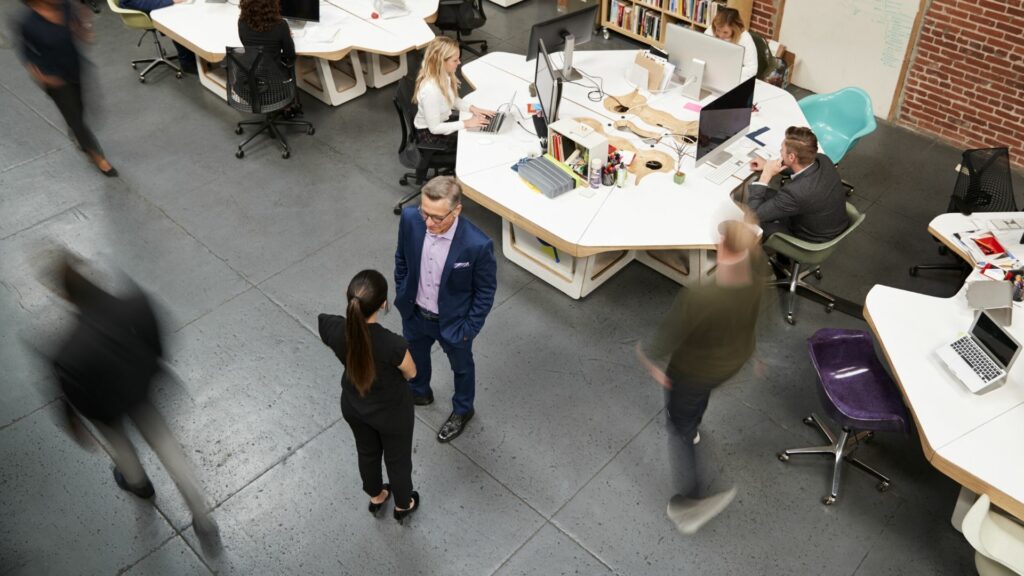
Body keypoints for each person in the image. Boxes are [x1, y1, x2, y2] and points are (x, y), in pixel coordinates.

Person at [40, 249, 220, 554]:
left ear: (65, 295)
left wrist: (84, 424)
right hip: (143, 394)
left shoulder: (65, 352)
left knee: (123, 452)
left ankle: (139, 485)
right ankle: (203, 520)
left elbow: (75, 399)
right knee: (169, 450)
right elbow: (159, 347)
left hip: (108, 412)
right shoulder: (135, 304)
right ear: (89, 274)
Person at [636, 220, 766, 535]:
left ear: (723, 247)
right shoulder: (758, 278)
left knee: (678, 426)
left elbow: (670, 336)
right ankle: (694, 424)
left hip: (693, 371)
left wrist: (648, 356)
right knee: (699, 399)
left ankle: (692, 503)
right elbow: (759, 317)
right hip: (731, 361)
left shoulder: (704, 295)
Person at [394, 176, 497, 443]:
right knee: (416, 356)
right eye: (425, 213)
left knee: (462, 368)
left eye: (437, 218)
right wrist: (402, 291)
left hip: (453, 323)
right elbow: (402, 259)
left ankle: (463, 409)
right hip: (415, 313)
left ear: (457, 210)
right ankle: (419, 392)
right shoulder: (410, 220)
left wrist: (469, 329)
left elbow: (485, 291)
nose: (428, 223)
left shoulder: (477, 245)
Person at [318, 270, 421, 524]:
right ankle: (403, 504)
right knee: (397, 460)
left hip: (354, 407)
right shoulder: (393, 344)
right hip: (392, 414)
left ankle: (376, 496)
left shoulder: (336, 330)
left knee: (367, 452)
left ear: (350, 299)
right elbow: (412, 373)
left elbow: (323, 321)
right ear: (384, 303)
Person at [17, 0, 116, 177]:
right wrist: (41, 75)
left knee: (79, 108)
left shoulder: (66, 7)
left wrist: (85, 28)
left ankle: (78, 133)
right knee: (75, 118)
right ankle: (98, 157)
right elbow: (27, 54)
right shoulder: (29, 24)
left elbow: (79, 29)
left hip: (74, 67)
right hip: (55, 79)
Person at [746, 126, 849, 243]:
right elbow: (800, 167)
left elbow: (752, 217)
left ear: (791, 157)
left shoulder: (795, 193)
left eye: (781, 150)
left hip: (814, 237)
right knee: (762, 194)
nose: (780, 152)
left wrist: (765, 176)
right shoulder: (823, 159)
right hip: (830, 222)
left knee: (748, 224)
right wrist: (767, 165)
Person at [412, 36, 495, 151]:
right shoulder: (431, 90)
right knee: (474, 141)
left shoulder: (444, 75)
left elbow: (452, 99)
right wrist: (466, 123)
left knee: (478, 128)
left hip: (441, 122)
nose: (459, 62)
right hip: (430, 135)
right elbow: (434, 128)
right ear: (441, 62)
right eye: (455, 60)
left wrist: (472, 108)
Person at [118, 0, 197, 73]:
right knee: (177, 22)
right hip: (140, 11)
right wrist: (171, 1)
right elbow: (142, 3)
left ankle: (194, 56)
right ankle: (187, 62)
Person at [704, 7, 757, 83]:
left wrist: (728, 71)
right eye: (718, 30)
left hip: (732, 79)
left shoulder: (745, 39)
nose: (720, 35)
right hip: (711, 75)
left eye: (725, 32)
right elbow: (702, 52)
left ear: (735, 30)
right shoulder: (711, 30)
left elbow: (752, 69)